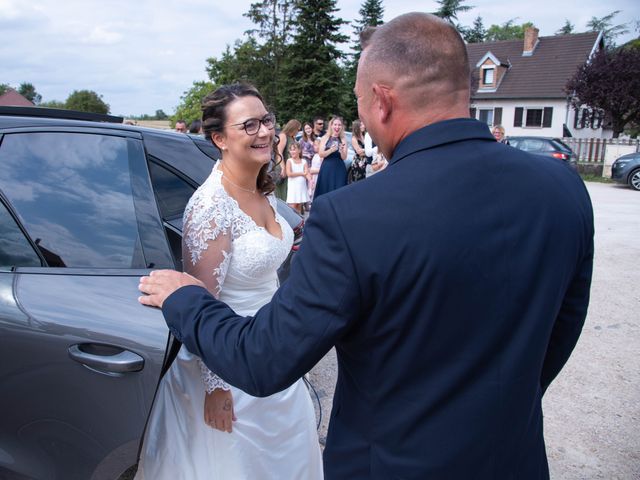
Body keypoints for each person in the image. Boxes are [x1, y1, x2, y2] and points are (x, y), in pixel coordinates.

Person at [139, 13, 594, 480]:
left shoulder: (351, 216)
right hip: (514, 460)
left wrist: (184, 298)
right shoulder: (562, 188)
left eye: (358, 103)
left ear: (381, 101)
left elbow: (264, 359)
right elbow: (562, 328)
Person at [135, 83, 322, 479]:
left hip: (270, 348)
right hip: (228, 364)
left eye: (267, 120)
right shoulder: (210, 207)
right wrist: (217, 388)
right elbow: (202, 301)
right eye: (249, 125)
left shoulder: (263, 190)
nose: (265, 132)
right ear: (219, 138)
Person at [313, 116, 348, 199]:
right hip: (327, 167)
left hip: (339, 168)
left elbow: (344, 157)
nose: (337, 127)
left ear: (342, 127)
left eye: (339, 125)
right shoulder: (325, 138)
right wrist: (331, 150)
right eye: (335, 124)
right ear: (331, 126)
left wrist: (341, 151)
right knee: (325, 190)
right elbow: (321, 154)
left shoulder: (343, 139)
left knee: (339, 191)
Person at [275, 119, 301, 201]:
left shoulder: (292, 137)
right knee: (283, 192)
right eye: (298, 129)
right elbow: (279, 152)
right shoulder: (283, 136)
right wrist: (283, 168)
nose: (298, 131)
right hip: (283, 166)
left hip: (290, 169)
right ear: (293, 128)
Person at [285, 141, 309, 214]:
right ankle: (293, 223)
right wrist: (301, 173)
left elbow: (306, 173)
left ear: (299, 150)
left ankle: (299, 223)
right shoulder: (289, 161)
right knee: (292, 206)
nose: (292, 151)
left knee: (299, 205)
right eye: (291, 150)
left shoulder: (304, 161)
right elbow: (289, 174)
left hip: (301, 187)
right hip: (293, 187)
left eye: (294, 149)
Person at [348, 119, 367, 183]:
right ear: (357, 127)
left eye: (363, 124)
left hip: (366, 162)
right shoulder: (354, 138)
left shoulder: (365, 136)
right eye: (361, 125)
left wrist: (364, 150)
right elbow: (359, 152)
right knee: (358, 182)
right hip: (358, 163)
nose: (363, 126)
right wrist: (370, 151)